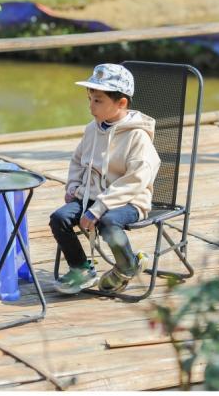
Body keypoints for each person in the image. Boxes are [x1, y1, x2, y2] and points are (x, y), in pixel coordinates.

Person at [50, 63, 161, 294]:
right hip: (92, 196)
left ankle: (127, 265)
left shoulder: (137, 136)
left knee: (108, 222)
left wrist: (98, 208)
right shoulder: (93, 128)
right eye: (90, 99)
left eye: (98, 100)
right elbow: (78, 160)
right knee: (59, 218)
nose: (91, 107)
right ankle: (81, 268)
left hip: (129, 200)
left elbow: (135, 180)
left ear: (121, 103)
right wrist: (73, 186)